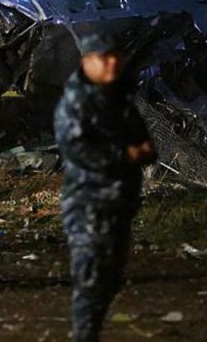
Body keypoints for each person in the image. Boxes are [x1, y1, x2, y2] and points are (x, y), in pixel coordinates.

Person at [53, 32, 156, 342]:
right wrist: (125, 154)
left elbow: (142, 139)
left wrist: (140, 151)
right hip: (89, 203)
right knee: (91, 278)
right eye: (103, 58)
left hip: (119, 201)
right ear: (87, 61)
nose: (112, 64)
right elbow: (78, 150)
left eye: (115, 57)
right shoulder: (77, 102)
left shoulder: (117, 97)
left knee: (109, 278)